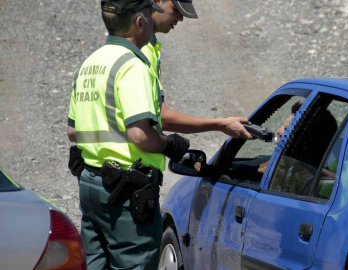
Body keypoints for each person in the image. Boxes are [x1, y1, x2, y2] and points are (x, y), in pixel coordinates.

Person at [66, 0, 191, 268]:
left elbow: (73, 131)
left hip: (91, 184)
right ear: (140, 22)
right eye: (150, 12)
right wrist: (171, 144)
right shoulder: (133, 65)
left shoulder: (89, 64)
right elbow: (140, 136)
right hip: (125, 195)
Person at [141, 0, 253, 140]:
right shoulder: (141, 49)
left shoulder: (148, 46)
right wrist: (221, 124)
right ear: (156, 2)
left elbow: (158, 113)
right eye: (176, 9)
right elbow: (162, 118)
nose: (181, 18)